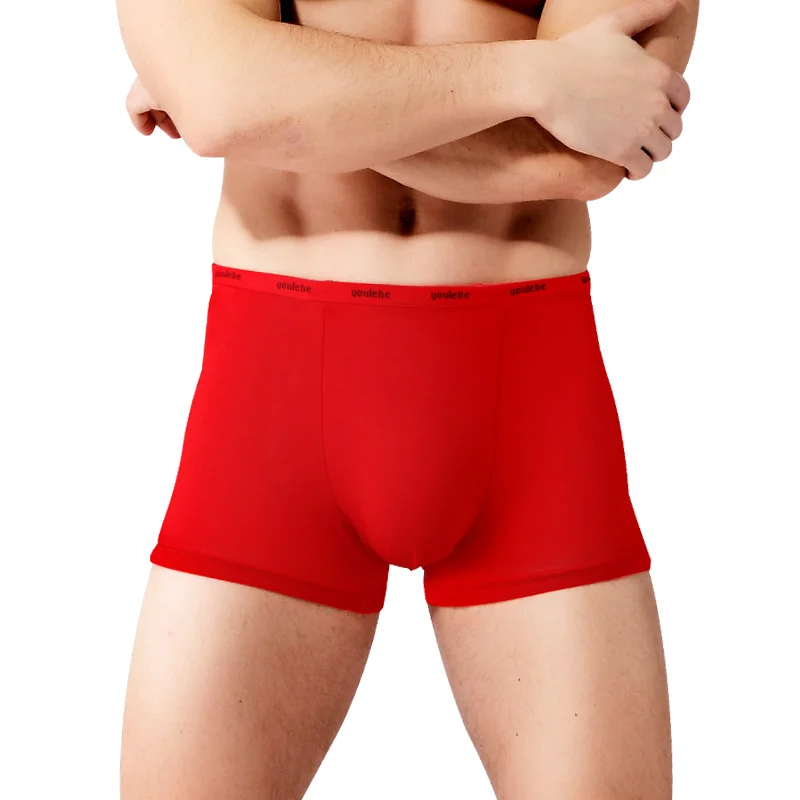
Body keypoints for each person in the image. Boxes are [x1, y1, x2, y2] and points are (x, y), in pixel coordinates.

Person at [116, 0, 698, 796]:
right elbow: (223, 99)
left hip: (530, 409)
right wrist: (536, 76)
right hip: (273, 403)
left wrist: (277, 100)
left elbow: (587, 153)